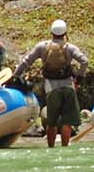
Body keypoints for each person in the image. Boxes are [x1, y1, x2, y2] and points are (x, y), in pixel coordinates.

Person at [14, 19, 89, 147]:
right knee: (67, 122)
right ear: (65, 32)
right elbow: (84, 61)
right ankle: (65, 147)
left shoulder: (42, 46)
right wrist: (79, 79)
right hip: (68, 87)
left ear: (52, 32)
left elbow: (26, 61)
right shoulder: (70, 48)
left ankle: (51, 148)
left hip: (51, 88)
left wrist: (16, 75)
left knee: (51, 122)